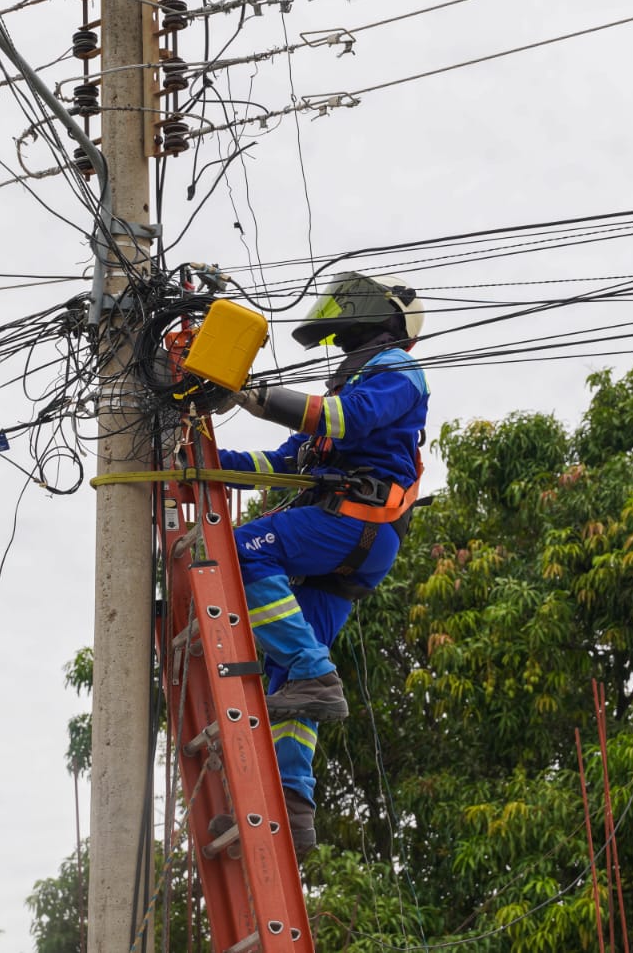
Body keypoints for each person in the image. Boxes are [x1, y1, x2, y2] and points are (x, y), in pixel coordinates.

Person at [217, 271, 428, 857]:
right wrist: (208, 455)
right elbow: (282, 462)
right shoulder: (347, 385)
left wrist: (262, 399)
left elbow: (344, 420)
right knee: (290, 677)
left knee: (236, 551)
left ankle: (315, 674)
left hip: (355, 522)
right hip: (353, 536)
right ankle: (294, 803)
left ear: (380, 314)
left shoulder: (397, 372)